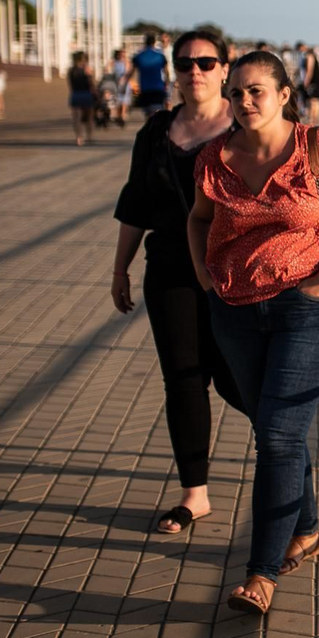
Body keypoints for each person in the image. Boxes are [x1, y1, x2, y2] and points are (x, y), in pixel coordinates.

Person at [187, 51, 319, 615]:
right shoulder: (213, 158)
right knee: (277, 429)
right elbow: (198, 218)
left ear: (284, 94)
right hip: (235, 312)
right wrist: (203, 275)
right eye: (237, 92)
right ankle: (308, 527)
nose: (244, 102)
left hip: (305, 310)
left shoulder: (318, 148)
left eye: (256, 92)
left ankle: (262, 574)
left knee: (275, 436)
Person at [112, 30, 244, 535]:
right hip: (169, 269)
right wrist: (120, 269)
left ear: (225, 68)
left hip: (237, 274)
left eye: (207, 63)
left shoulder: (246, 127)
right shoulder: (155, 131)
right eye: (186, 63)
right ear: (173, 69)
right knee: (185, 380)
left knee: (241, 379)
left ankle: (287, 471)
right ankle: (195, 494)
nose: (196, 72)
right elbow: (136, 204)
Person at [132, 34, 169, 118]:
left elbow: (132, 73)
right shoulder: (160, 56)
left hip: (145, 89)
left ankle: (150, 128)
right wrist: (166, 83)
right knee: (157, 111)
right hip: (158, 87)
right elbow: (166, 72)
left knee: (148, 114)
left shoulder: (139, 56)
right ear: (154, 42)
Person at [68, 51, 96, 145]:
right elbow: (91, 83)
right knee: (89, 118)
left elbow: (70, 84)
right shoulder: (87, 69)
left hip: (75, 94)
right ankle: (89, 136)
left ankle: (79, 137)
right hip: (86, 94)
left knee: (76, 118)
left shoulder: (71, 70)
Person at [297, 42, 319, 125]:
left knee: (314, 100)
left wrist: (306, 82)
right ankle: (313, 120)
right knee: (315, 100)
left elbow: (309, 70)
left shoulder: (309, 55)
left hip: (313, 81)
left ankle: (312, 120)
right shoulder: (311, 55)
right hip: (315, 80)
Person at [108, 49, 132, 126]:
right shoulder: (113, 62)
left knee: (124, 101)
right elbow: (108, 70)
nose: (122, 55)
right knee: (117, 100)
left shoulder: (126, 62)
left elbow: (128, 72)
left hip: (125, 83)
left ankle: (123, 115)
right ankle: (119, 116)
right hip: (116, 83)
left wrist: (123, 79)